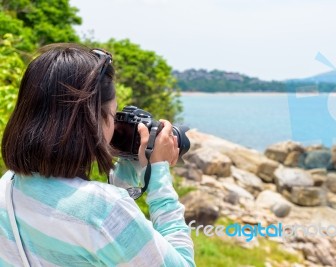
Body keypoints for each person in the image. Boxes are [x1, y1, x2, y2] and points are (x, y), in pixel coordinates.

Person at [0, 43, 195, 267]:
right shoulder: (103, 210)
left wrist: (125, 174)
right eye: (112, 116)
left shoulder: (8, 185)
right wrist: (159, 173)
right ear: (93, 122)